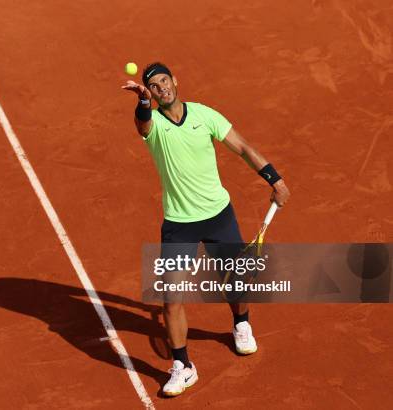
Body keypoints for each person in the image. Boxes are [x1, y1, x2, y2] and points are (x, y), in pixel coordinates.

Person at [122, 62, 290, 397]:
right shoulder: (152, 124)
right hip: (178, 225)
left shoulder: (204, 115)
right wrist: (141, 102)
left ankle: (241, 323)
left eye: (164, 81)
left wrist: (275, 179)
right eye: (153, 86)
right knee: (170, 300)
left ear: (175, 82)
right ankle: (183, 366)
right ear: (151, 94)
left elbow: (242, 147)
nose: (160, 88)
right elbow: (142, 124)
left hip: (219, 216)